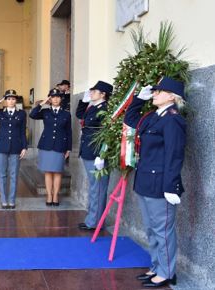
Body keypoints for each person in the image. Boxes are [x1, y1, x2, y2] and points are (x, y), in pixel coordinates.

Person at [124, 77, 186, 288]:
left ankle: (167, 272)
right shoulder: (153, 117)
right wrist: (138, 100)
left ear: (171, 96)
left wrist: (171, 185)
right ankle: (156, 266)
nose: (154, 93)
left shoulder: (173, 119)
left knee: (163, 230)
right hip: (145, 182)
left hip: (160, 184)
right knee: (151, 229)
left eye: (159, 91)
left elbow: (174, 154)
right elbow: (131, 120)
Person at [76, 81, 113, 231]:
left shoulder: (105, 109)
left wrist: (101, 155)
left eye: (94, 91)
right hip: (88, 151)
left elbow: (107, 134)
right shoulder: (93, 107)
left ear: (103, 94)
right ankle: (94, 219)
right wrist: (83, 102)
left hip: (96, 153)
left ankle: (95, 222)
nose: (90, 93)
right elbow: (80, 115)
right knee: (94, 187)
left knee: (97, 188)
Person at [29, 88, 72, 206]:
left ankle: (55, 195)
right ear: (50, 99)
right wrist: (42, 103)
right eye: (53, 97)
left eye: (58, 97)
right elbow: (32, 115)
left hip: (60, 146)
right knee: (48, 172)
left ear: (61, 99)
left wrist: (68, 148)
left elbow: (69, 131)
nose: (56, 99)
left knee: (58, 172)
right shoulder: (45, 112)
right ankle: (49, 195)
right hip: (46, 145)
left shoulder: (66, 114)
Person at [0, 89, 27, 209]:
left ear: (16, 100)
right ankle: (3, 200)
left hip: (16, 147)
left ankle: (12, 200)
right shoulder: (0, 113)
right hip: (2, 147)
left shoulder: (21, 113)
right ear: (5, 100)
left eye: (13, 99)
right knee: (2, 174)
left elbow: (22, 131)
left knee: (14, 175)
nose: (11, 101)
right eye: (8, 99)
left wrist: (24, 147)